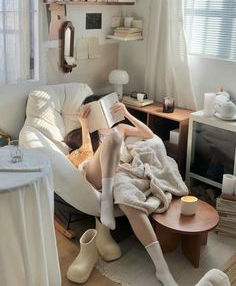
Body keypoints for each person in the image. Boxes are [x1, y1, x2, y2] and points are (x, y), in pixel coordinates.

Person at [64, 94, 178, 286]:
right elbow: (86, 154)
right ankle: (106, 199)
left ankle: (162, 269)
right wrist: (85, 125)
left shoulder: (121, 128)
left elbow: (150, 135)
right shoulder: (87, 134)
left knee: (130, 203)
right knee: (113, 138)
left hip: (120, 175)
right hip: (94, 172)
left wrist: (127, 114)